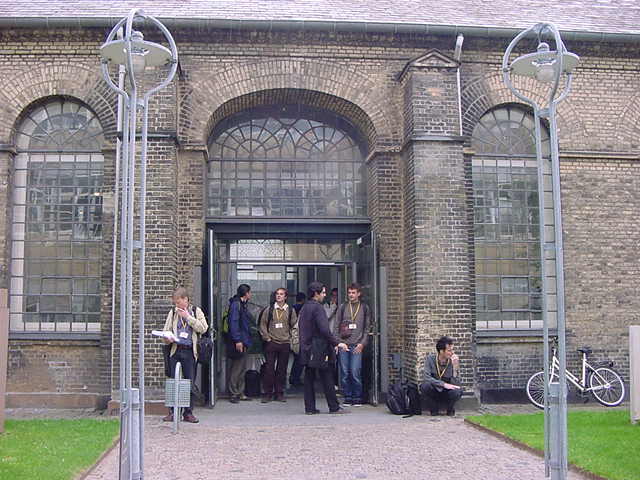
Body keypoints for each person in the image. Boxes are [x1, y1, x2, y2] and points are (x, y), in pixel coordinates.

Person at [298, 281, 349, 415]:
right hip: (319, 347)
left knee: (309, 377)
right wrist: (337, 343)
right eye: (323, 292)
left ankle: (310, 408)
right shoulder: (318, 308)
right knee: (327, 376)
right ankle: (334, 406)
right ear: (316, 293)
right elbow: (324, 330)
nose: (325, 295)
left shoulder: (305, 308)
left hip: (307, 346)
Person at [162, 287, 208, 423]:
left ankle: (188, 412)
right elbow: (166, 330)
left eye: (178, 302)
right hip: (175, 349)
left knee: (189, 381)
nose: (176, 305)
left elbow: (203, 328)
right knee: (173, 380)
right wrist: (167, 338)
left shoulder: (196, 311)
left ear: (185, 300)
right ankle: (172, 411)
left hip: (189, 351)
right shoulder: (173, 312)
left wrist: (188, 318)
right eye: (175, 302)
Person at [259, 288, 298, 403]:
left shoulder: (290, 310)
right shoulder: (269, 309)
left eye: (281, 294)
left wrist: (291, 339)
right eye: (277, 294)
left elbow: (294, 325)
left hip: (285, 343)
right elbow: (262, 324)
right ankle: (267, 394)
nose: (279, 296)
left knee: (282, 370)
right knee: (269, 369)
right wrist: (267, 338)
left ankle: (279, 393)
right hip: (272, 342)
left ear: (285, 297)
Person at [334, 282, 371, 407]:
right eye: (349, 292)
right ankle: (348, 397)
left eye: (353, 293)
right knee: (345, 372)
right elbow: (336, 326)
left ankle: (357, 397)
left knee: (355, 371)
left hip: (357, 345)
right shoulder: (343, 307)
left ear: (358, 294)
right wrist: (338, 342)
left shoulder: (364, 308)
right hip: (344, 344)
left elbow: (367, 328)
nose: (351, 295)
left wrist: (362, 344)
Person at [420, 336, 463, 416]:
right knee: (425, 386)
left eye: (452, 350)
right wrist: (443, 384)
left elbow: (456, 383)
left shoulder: (452, 361)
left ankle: (450, 409)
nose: (452, 353)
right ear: (441, 351)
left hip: (447, 392)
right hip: (435, 389)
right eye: (449, 350)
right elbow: (426, 377)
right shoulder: (430, 359)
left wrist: (455, 368)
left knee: (458, 391)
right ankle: (434, 409)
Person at [227, 284, 254, 404]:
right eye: (250, 292)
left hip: (244, 340)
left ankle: (240, 392)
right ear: (246, 293)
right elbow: (234, 323)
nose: (251, 294)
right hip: (240, 341)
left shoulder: (242, 304)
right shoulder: (236, 305)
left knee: (242, 368)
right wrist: (238, 340)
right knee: (237, 368)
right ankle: (234, 392)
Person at [288, 292, 306, 387]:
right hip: (300, 336)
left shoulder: (292, 308)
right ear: (303, 299)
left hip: (293, 336)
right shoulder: (302, 308)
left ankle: (293, 377)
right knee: (300, 360)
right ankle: (295, 378)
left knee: (296, 359)